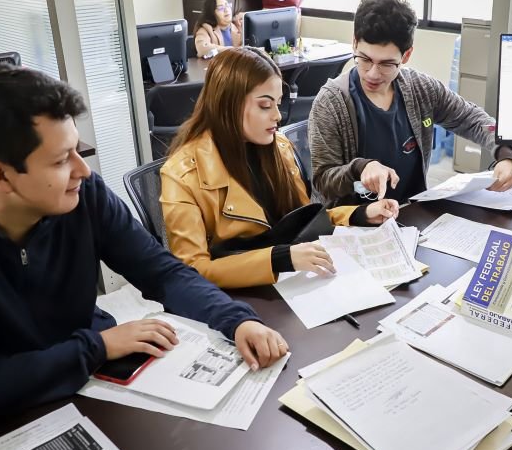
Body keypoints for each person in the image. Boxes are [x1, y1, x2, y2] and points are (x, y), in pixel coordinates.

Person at [0, 66, 289, 429]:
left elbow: (162, 272)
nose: (83, 170)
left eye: (76, 149)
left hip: (90, 379)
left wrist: (236, 320)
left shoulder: (84, 193)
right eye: (61, 160)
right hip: (4, 409)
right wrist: (96, 347)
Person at [160, 47, 399, 290]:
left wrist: (359, 214)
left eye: (278, 103)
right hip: (238, 297)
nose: (278, 115)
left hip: (292, 285)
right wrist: (279, 259)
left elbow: (299, 223)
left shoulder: (279, 148)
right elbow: (193, 271)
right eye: (265, 105)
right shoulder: (181, 175)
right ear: (227, 105)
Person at [309, 0, 512, 206]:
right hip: (351, 220)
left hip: (412, 214)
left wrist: (505, 154)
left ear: (406, 55)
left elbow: (473, 118)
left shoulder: (421, 89)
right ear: (354, 43)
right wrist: (360, 168)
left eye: (386, 64)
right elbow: (323, 180)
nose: (372, 73)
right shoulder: (332, 102)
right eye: (364, 59)